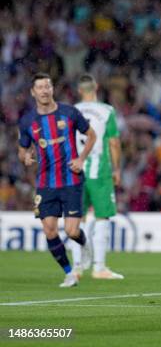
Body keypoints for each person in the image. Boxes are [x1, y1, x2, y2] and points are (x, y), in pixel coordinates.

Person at [17, 73, 96, 287]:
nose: (44, 90)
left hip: (71, 180)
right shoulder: (27, 121)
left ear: (52, 89)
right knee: (50, 230)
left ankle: (85, 244)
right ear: (33, 92)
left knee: (71, 231)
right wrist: (25, 156)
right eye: (40, 87)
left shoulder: (69, 113)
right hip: (46, 183)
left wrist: (81, 159)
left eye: (47, 86)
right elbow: (22, 148)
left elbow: (92, 135)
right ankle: (69, 273)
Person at [71, 74, 124, 280]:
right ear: (97, 87)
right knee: (102, 216)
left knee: (77, 218)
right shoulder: (106, 110)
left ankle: (76, 267)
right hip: (99, 170)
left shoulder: (71, 111)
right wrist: (117, 169)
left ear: (79, 90)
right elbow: (114, 143)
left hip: (75, 170)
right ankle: (99, 267)